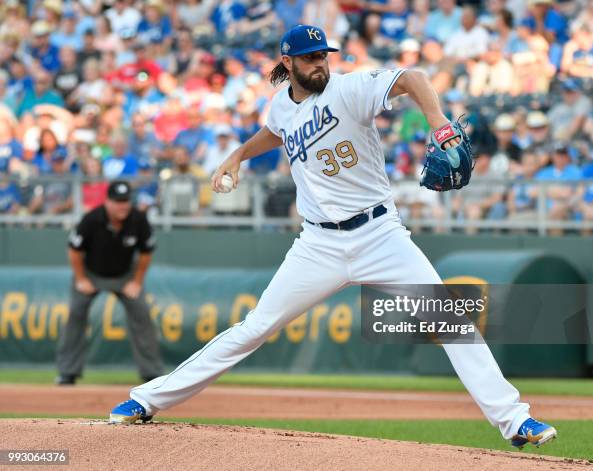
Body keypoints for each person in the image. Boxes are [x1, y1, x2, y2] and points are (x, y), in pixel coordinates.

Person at [109, 24, 557, 451]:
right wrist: (237, 154)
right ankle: (148, 399)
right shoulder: (282, 106)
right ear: (288, 62)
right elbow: (274, 130)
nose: (320, 63)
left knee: (449, 319)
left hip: (380, 233)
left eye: (323, 54)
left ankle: (515, 420)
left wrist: (437, 119)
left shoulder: (348, 88)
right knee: (254, 328)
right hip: (318, 245)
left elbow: (413, 77)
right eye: (309, 58)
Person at [57, 180, 163, 385]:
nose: (122, 206)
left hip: (125, 275)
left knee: (142, 316)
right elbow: (74, 250)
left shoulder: (138, 220)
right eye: (117, 201)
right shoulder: (91, 219)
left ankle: (152, 374)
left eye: (126, 201)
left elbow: (146, 252)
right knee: (76, 315)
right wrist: (80, 279)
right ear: (107, 202)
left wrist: (137, 281)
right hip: (91, 273)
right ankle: (67, 372)